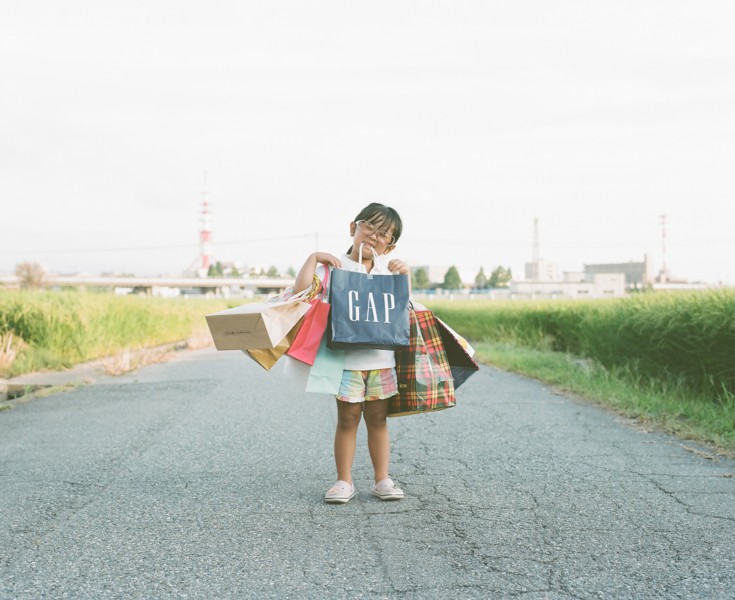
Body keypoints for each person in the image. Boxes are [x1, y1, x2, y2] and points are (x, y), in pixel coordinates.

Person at [293, 203, 411, 504]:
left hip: (382, 361)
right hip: (345, 362)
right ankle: (344, 480)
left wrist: (405, 275)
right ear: (352, 228)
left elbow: (401, 311)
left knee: (378, 420)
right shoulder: (335, 267)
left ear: (391, 245)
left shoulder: (389, 271)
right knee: (347, 420)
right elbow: (301, 292)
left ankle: (382, 478)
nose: (373, 236)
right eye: (368, 226)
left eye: (383, 233)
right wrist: (313, 258)